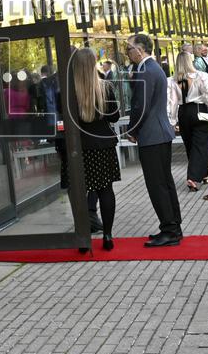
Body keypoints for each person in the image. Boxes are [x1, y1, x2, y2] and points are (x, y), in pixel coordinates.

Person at [125, 34, 182, 247]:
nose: (127, 53)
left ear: (140, 50)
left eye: (129, 49)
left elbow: (141, 105)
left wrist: (132, 130)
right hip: (158, 133)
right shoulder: (151, 68)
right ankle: (173, 226)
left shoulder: (147, 70)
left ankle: (170, 229)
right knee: (164, 182)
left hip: (152, 135)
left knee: (158, 184)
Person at [69, 48, 121, 251]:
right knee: (105, 190)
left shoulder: (67, 91)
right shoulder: (105, 87)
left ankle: (83, 239)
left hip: (78, 148)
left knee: (78, 192)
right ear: (93, 64)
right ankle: (107, 235)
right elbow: (114, 116)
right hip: (102, 146)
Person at [168, 52, 208, 191]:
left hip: (183, 113)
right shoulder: (200, 76)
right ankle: (193, 177)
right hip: (199, 110)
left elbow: (172, 103)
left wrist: (173, 121)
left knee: (190, 145)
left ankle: (202, 174)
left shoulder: (173, 80)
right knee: (202, 145)